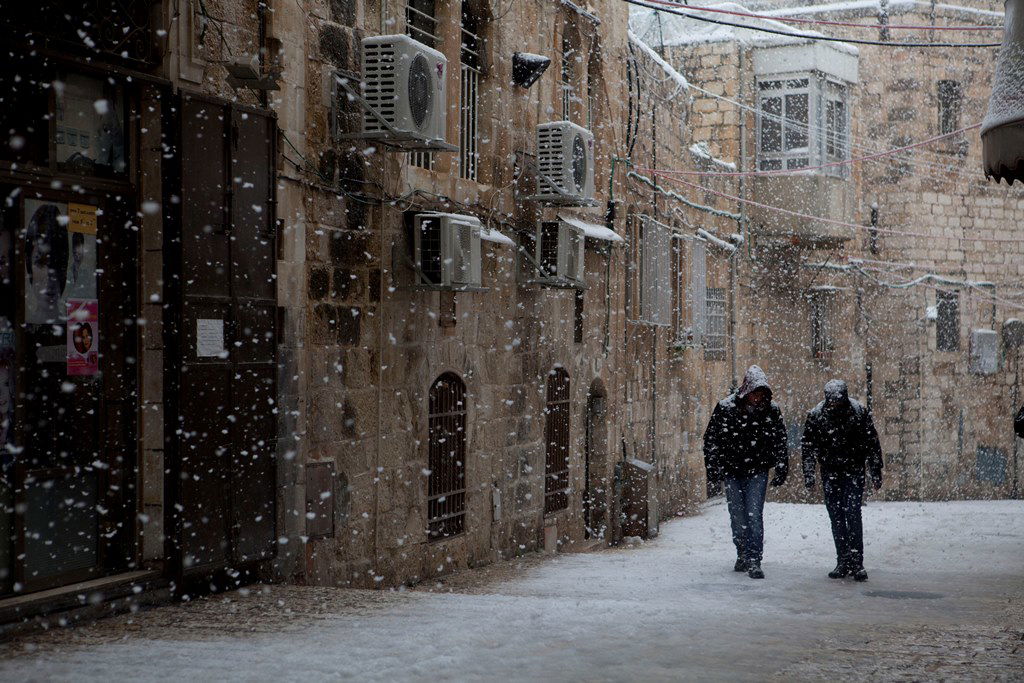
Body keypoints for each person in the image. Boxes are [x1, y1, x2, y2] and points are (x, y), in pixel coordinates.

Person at [703, 365, 789, 579]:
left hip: (757, 471)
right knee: (738, 516)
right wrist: (713, 468)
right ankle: (742, 552)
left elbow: (780, 440)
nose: (757, 398)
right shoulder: (725, 408)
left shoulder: (771, 410)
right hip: (732, 471)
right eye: (755, 393)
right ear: (746, 390)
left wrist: (781, 465)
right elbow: (711, 440)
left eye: (761, 394)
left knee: (754, 515)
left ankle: (754, 558)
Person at [801, 380, 883, 582]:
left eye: (839, 402)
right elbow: (808, 447)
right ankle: (843, 559)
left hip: (854, 470)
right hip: (830, 471)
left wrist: (875, 470)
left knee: (853, 512)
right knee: (836, 516)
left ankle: (857, 562)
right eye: (833, 403)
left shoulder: (858, 413)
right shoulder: (816, 416)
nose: (836, 406)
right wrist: (809, 473)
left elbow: (872, 442)